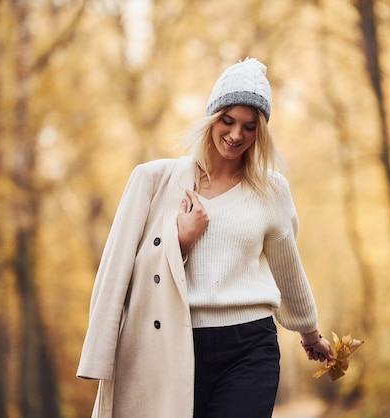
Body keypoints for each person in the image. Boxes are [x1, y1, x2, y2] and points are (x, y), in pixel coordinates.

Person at [77, 57, 334, 418]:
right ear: (211, 118)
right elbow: (118, 273)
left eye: (249, 126)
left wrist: (310, 334)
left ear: (261, 132)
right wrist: (178, 240)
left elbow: (288, 269)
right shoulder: (156, 182)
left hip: (251, 347)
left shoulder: (272, 190)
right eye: (227, 121)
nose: (235, 135)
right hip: (177, 346)